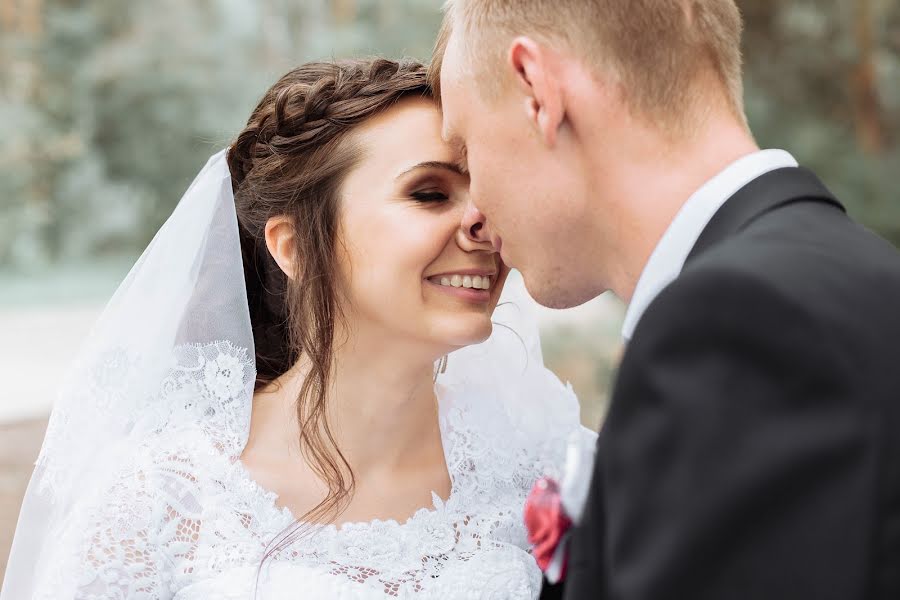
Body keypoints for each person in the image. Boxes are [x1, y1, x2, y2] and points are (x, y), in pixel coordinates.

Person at [1, 58, 592, 599]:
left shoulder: (544, 470)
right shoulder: (161, 502)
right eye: (430, 193)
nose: (480, 224)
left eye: (486, 192)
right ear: (294, 247)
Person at [431, 1, 900, 598]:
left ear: (538, 90)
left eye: (467, 151)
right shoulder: (839, 269)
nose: (473, 213)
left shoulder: (741, 324)